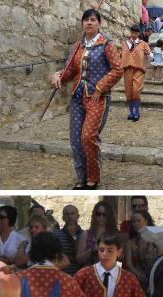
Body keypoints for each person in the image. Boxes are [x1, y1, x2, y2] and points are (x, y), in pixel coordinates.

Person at [51, 9, 123, 190]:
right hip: (77, 97)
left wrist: (101, 86)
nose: (89, 23)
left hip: (97, 97)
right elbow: (70, 71)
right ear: (82, 24)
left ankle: (93, 177)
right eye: (86, 20)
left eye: (93, 20)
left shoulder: (107, 44)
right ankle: (81, 178)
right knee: (76, 140)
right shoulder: (78, 46)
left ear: (99, 24)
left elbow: (118, 69)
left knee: (88, 137)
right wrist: (58, 75)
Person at [121, 24, 152, 122]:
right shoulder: (125, 43)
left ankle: (137, 112)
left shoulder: (143, 43)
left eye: (136, 33)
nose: (134, 35)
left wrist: (148, 54)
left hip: (139, 70)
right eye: (133, 32)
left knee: (136, 90)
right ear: (131, 33)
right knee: (129, 92)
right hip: (127, 70)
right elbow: (121, 55)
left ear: (139, 33)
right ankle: (131, 112)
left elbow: (150, 56)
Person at [76, 201, 118, 266]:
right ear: (94, 215)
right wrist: (92, 249)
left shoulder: (115, 234)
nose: (101, 217)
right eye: (98, 214)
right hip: (89, 273)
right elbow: (79, 260)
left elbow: (121, 258)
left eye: (104, 215)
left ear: (109, 216)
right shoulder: (86, 234)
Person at [123, 209, 157, 288]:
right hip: (136, 281)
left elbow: (160, 259)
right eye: (133, 221)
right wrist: (142, 278)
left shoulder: (155, 240)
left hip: (154, 279)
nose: (135, 224)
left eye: (138, 220)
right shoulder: (130, 242)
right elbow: (129, 264)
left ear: (146, 221)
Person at [54, 204, 84, 276]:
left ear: (78, 216)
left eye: (72, 213)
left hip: (79, 277)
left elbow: (82, 258)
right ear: (63, 218)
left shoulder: (85, 235)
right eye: (67, 214)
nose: (70, 216)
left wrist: (73, 237)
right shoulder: (56, 235)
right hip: (61, 276)